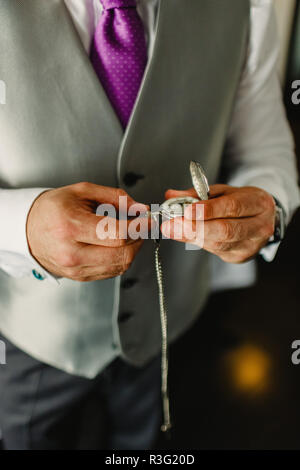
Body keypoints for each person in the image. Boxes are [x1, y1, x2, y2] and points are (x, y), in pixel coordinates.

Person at [0, 0, 299, 450]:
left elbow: (264, 147)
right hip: (31, 337)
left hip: (170, 326)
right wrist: (19, 225)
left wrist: (267, 207)